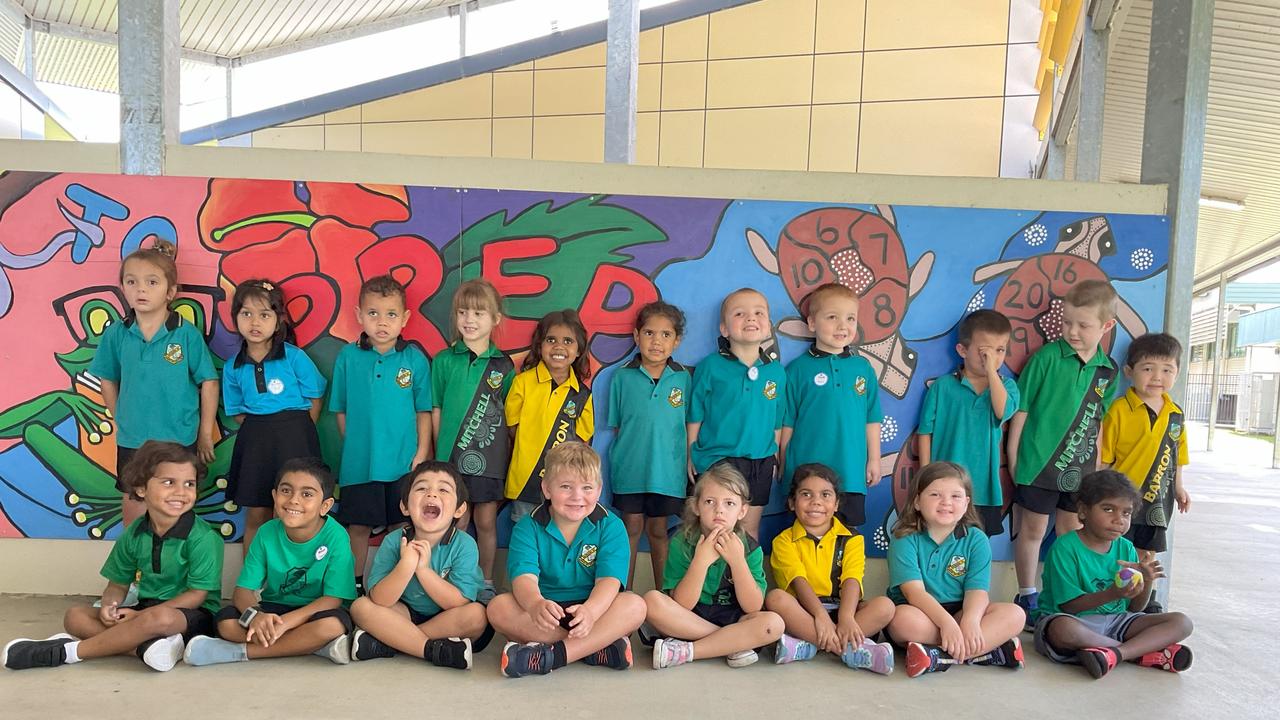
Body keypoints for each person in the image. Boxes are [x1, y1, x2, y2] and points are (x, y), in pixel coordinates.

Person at [2, 442, 222, 672]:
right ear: (141, 489)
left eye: (190, 484)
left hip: (191, 617)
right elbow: (117, 585)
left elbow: (197, 596)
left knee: (159, 619)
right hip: (146, 609)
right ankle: (145, 648)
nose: (181, 492)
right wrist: (110, 606)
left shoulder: (203, 537)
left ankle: (68, 652)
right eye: (169, 482)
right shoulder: (135, 533)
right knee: (76, 616)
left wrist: (140, 615)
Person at [1008, 280, 1120, 619]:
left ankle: (1063, 597)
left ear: (1106, 326)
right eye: (1067, 322)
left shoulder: (1107, 371)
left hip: (1081, 473)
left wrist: (1097, 470)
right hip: (1037, 466)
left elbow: (1098, 421)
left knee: (1071, 534)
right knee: (1033, 530)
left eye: (1083, 325)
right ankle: (1027, 594)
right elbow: (1021, 410)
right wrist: (1014, 459)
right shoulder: (1046, 358)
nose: (1072, 331)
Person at [89, 238, 218, 529]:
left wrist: (205, 433)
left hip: (178, 437)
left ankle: (173, 566)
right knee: (135, 497)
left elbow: (209, 382)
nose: (141, 289)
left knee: (177, 499)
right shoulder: (117, 334)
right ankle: (135, 566)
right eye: (132, 282)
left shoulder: (185, 334)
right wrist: (119, 416)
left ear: (170, 291)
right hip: (133, 439)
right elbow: (107, 378)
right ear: (122, 287)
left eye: (151, 282)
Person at [486, 442, 645, 677]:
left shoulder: (611, 526)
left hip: (595, 612)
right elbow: (524, 579)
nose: (577, 497)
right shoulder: (528, 527)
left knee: (635, 606)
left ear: (599, 490)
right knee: (498, 608)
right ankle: (594, 648)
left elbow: (608, 582)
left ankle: (552, 656)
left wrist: (590, 612)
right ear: (547, 489)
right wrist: (535, 604)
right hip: (547, 614)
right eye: (566, 487)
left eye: (587, 488)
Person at [183, 458, 358, 666]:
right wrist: (256, 616)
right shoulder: (266, 532)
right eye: (286, 491)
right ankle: (312, 645)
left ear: (325, 506)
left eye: (307, 494)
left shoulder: (336, 536)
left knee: (331, 626)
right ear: (274, 496)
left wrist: (286, 624)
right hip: (273, 610)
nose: (294, 500)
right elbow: (242, 591)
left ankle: (239, 652)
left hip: (315, 611)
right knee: (226, 622)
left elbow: (333, 599)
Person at [1032, 470, 1194, 678]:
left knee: (1182, 622)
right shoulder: (1065, 547)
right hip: (1077, 621)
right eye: (1108, 509)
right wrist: (1112, 594)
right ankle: (1140, 652)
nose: (1119, 519)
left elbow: (1136, 608)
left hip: (1118, 621)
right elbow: (1068, 606)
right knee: (1062, 630)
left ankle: (1115, 654)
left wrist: (1146, 581)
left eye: (1126, 513)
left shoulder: (1126, 548)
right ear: (1082, 511)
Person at [329, 275, 433, 593]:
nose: (382, 322)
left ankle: (395, 586)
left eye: (391, 314)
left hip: (402, 462)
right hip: (359, 464)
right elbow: (341, 409)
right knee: (357, 527)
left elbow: (423, 410)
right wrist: (356, 446)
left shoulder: (414, 359)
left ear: (404, 318)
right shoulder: (348, 357)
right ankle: (352, 586)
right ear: (359, 315)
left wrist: (421, 454)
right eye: (373, 313)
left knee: (402, 526)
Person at [885, 462, 1025, 678]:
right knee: (900, 621)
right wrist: (947, 624)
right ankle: (985, 652)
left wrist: (970, 620)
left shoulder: (976, 539)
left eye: (956, 496)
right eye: (935, 495)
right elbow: (915, 594)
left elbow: (977, 591)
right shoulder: (904, 538)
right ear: (917, 502)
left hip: (961, 611)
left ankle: (937, 656)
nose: (946, 502)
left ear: (967, 503)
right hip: (920, 611)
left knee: (1015, 614)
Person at [349, 461, 489, 669]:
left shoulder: (464, 544)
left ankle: (395, 641)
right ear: (404, 506)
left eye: (443, 489)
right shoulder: (394, 541)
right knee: (360, 607)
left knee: (477, 616)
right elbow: (380, 599)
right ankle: (433, 649)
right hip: (405, 613)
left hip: (447, 617)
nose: (432, 494)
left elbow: (458, 602)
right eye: (422, 488)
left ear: (459, 509)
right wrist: (406, 565)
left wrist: (423, 570)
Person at [644, 464, 783, 669]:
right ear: (696, 506)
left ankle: (687, 651)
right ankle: (732, 643)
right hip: (691, 618)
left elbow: (752, 607)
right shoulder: (681, 542)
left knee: (774, 624)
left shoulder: (749, 549)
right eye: (710, 501)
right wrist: (701, 561)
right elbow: (682, 604)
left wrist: (737, 562)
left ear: (742, 510)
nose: (719, 510)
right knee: (652, 601)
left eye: (729, 503)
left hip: (734, 618)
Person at [222, 279, 325, 552]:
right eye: (246, 314)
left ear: (278, 321)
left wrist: (298, 429)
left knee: (291, 512)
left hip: (295, 439)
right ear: (235, 318)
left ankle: (288, 580)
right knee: (256, 513)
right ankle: (252, 580)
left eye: (264, 315)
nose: (255, 322)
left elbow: (315, 396)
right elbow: (237, 413)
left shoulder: (293, 357)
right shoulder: (233, 367)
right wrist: (263, 428)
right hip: (255, 441)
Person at [765, 464, 895, 673]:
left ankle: (808, 646)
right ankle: (850, 651)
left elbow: (852, 579)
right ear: (792, 503)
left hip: (845, 609)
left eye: (825, 495)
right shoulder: (783, 541)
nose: (816, 502)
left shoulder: (852, 538)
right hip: (805, 614)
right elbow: (799, 582)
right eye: (806, 494)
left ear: (836, 504)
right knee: (776, 598)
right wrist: (820, 617)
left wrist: (845, 618)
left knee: (885, 606)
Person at [431, 278, 514, 603]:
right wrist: (439, 455)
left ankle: (486, 580)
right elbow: (436, 408)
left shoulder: (503, 365)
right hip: (451, 459)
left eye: (478, 313)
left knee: (485, 520)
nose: (469, 319)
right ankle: (454, 580)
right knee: (458, 520)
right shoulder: (444, 360)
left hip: (490, 460)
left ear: (495, 319)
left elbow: (509, 418)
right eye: (463, 312)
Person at [780, 283, 881, 529]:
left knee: (847, 538)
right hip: (806, 474)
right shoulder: (797, 369)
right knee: (804, 537)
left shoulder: (863, 369)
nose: (842, 325)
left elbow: (872, 418)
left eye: (850, 318)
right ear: (812, 323)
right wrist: (782, 463)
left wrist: (874, 460)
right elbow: (787, 423)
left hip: (851, 474)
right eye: (832, 317)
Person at [1101, 333, 1189, 611]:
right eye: (1148, 368)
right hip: (1123, 499)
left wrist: (1179, 489)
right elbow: (1104, 459)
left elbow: (1177, 457)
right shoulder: (1119, 410)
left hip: (1158, 500)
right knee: (1118, 549)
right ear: (1130, 372)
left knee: (1147, 552)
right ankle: (1117, 598)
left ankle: (1145, 599)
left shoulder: (1175, 414)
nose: (1157, 377)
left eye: (1167, 370)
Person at [688, 288, 786, 539]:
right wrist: (690, 454)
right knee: (714, 530)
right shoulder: (710, 367)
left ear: (768, 327)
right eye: (740, 313)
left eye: (758, 313)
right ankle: (709, 579)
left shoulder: (776, 372)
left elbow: (777, 421)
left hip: (760, 463)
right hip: (718, 460)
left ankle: (744, 579)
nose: (751, 318)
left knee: (748, 530)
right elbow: (695, 415)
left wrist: (774, 457)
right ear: (724, 329)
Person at [608, 301, 691, 589]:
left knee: (658, 531)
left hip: (668, 473)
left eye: (666, 335)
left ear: (677, 341)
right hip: (630, 470)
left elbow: (689, 426)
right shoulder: (622, 377)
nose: (657, 342)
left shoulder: (684, 378)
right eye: (649, 333)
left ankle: (665, 600)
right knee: (630, 529)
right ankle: (622, 598)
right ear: (636, 336)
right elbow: (619, 426)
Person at [918, 309, 1020, 536]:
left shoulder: (1008, 388)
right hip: (944, 489)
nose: (992, 358)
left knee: (976, 546)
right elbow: (925, 432)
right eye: (984, 352)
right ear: (962, 350)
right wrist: (925, 477)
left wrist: (992, 372)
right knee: (940, 539)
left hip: (983, 489)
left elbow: (1002, 410)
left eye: (1000, 350)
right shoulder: (943, 387)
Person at [505, 310, 594, 524]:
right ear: (540, 345)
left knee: (558, 538)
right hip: (524, 482)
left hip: (563, 487)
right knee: (525, 539)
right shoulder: (523, 383)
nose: (559, 346)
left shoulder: (582, 395)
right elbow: (511, 427)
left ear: (579, 349)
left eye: (568, 341)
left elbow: (582, 441)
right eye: (551, 339)